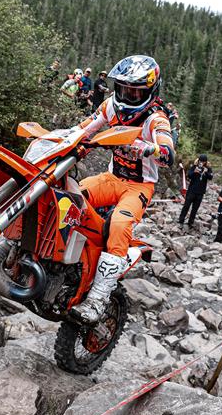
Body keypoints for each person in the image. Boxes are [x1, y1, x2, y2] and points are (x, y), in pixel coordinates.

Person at [70, 55, 174, 322]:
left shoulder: (155, 118)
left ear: (150, 91)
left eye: (135, 91)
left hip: (138, 187)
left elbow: (168, 151)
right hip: (111, 177)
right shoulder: (110, 106)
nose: (128, 95)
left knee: (119, 224)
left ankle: (98, 298)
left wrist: (149, 148)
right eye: (125, 89)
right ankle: (66, 261)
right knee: (70, 195)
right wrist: (63, 138)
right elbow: (85, 128)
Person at [178, 154, 213, 227]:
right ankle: (181, 220)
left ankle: (190, 223)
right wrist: (195, 171)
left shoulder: (208, 168)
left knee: (195, 209)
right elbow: (189, 176)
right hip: (191, 190)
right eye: (201, 161)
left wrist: (206, 172)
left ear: (206, 162)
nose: (202, 163)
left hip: (200, 192)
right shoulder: (194, 167)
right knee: (186, 206)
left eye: (203, 162)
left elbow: (210, 177)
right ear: (198, 160)